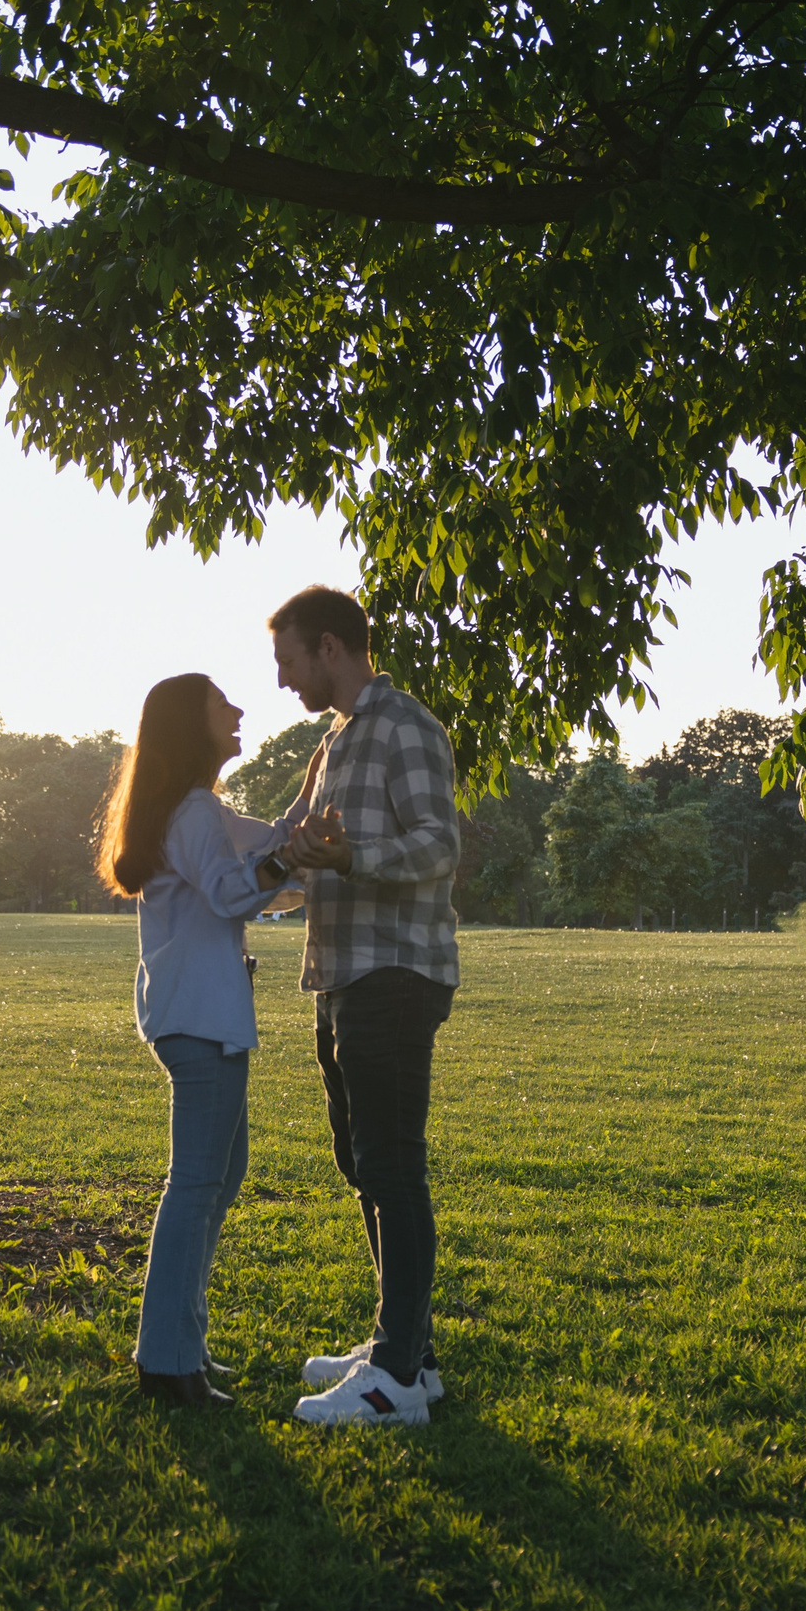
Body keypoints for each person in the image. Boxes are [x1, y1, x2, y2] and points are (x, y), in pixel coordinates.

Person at [263, 585, 462, 1428]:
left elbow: (439, 841)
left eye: (289, 660)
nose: (282, 681)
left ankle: (394, 1379)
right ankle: (408, 1346)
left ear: (332, 647)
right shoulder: (333, 741)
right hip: (341, 974)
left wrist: (349, 856)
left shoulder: (403, 725)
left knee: (391, 1165)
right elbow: (295, 840)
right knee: (361, 1164)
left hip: (393, 970)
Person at [98, 672, 296, 1409]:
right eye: (222, 703)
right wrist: (285, 862)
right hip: (201, 1021)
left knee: (217, 1177)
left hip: (198, 1016)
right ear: (192, 726)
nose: (239, 710)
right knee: (196, 1186)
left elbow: (273, 848)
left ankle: (182, 1348)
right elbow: (236, 888)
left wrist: (304, 830)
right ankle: (167, 1363)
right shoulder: (193, 812)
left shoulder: (197, 812)